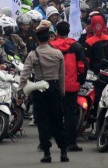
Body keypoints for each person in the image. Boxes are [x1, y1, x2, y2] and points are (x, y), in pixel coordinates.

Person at [18, 20, 68, 163]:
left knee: (43, 122)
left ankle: (47, 153)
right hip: (55, 89)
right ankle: (63, 151)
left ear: (37, 38)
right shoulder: (58, 53)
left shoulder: (33, 55)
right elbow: (62, 75)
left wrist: (20, 91)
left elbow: (25, 74)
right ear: (49, 37)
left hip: (39, 90)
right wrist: (62, 91)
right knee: (58, 121)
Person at [50, 21, 88, 152]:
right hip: (71, 85)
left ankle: (46, 141)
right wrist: (80, 80)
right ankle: (71, 143)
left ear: (57, 31)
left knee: (53, 113)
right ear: (69, 30)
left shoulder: (51, 46)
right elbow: (83, 66)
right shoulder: (76, 46)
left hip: (53, 84)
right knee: (70, 114)